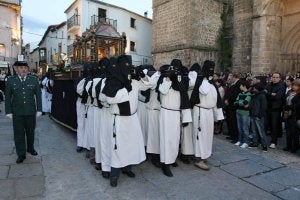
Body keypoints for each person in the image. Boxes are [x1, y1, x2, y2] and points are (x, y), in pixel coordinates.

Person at [157, 59, 192, 177]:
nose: (176, 70)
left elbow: (184, 98)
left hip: (176, 113)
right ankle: (164, 164)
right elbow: (162, 90)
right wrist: (168, 78)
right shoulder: (164, 78)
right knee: (166, 139)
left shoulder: (182, 80)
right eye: (174, 68)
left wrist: (185, 116)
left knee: (175, 138)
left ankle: (171, 159)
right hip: (166, 113)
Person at [5, 61, 42, 163]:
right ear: (17, 69)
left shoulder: (34, 80)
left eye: (25, 67)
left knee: (30, 132)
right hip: (17, 112)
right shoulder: (10, 81)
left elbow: (38, 96)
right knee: (18, 133)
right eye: (21, 68)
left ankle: (30, 148)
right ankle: (21, 154)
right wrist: (8, 111)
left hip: (30, 111)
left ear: (27, 69)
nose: (23, 69)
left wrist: (39, 109)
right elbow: (7, 97)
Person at [190, 60, 218, 171]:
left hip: (209, 112)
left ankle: (204, 155)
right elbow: (204, 91)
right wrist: (205, 78)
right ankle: (198, 159)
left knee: (207, 135)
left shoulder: (211, 82)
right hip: (200, 111)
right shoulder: (201, 81)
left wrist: (217, 115)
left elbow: (215, 99)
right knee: (200, 135)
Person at [265, 72, 285, 149]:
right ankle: (262, 140)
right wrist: (272, 94)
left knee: (274, 126)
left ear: (279, 78)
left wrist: (269, 94)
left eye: (277, 77)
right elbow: (264, 93)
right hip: (267, 108)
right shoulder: (269, 84)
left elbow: (278, 97)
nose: (275, 78)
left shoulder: (282, 86)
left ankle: (273, 142)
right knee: (265, 124)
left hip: (276, 109)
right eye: (273, 77)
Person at [249, 83, 268, 151]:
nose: (253, 89)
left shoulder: (262, 96)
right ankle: (255, 143)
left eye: (254, 88)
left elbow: (263, 107)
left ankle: (264, 145)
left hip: (258, 116)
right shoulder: (254, 95)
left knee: (261, 131)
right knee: (254, 130)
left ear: (258, 88)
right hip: (253, 115)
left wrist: (259, 116)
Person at [283, 79, 300, 153]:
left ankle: (295, 146)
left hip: (295, 114)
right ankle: (288, 145)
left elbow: (298, 105)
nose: (294, 87)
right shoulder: (289, 92)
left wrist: (291, 107)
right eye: (293, 85)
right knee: (288, 131)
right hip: (287, 114)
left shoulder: (299, 94)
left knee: (294, 132)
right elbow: (285, 100)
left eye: (296, 85)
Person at [224, 73, 241, 143]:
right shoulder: (233, 84)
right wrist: (226, 99)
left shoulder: (238, 84)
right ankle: (232, 135)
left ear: (234, 77)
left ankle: (236, 137)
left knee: (234, 122)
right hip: (230, 105)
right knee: (231, 121)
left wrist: (229, 100)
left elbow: (235, 95)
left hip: (234, 106)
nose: (230, 80)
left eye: (231, 78)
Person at [234, 80, 251, 148]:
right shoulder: (240, 94)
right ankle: (240, 140)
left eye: (240, 85)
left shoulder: (249, 94)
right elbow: (235, 102)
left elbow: (245, 102)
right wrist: (240, 103)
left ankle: (245, 142)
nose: (239, 87)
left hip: (245, 113)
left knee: (245, 128)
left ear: (244, 86)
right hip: (238, 112)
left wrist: (239, 103)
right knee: (239, 127)